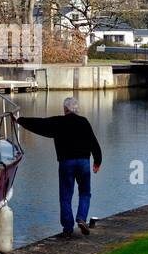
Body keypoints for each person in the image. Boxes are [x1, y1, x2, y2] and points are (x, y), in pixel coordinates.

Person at [18, 97, 102, 237]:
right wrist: (97, 161)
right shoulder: (84, 122)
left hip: (66, 163)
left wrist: (20, 120)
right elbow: (93, 142)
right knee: (85, 193)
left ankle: (68, 229)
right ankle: (81, 218)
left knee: (65, 197)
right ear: (76, 109)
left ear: (65, 109)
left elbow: (40, 124)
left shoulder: (59, 122)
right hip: (83, 162)